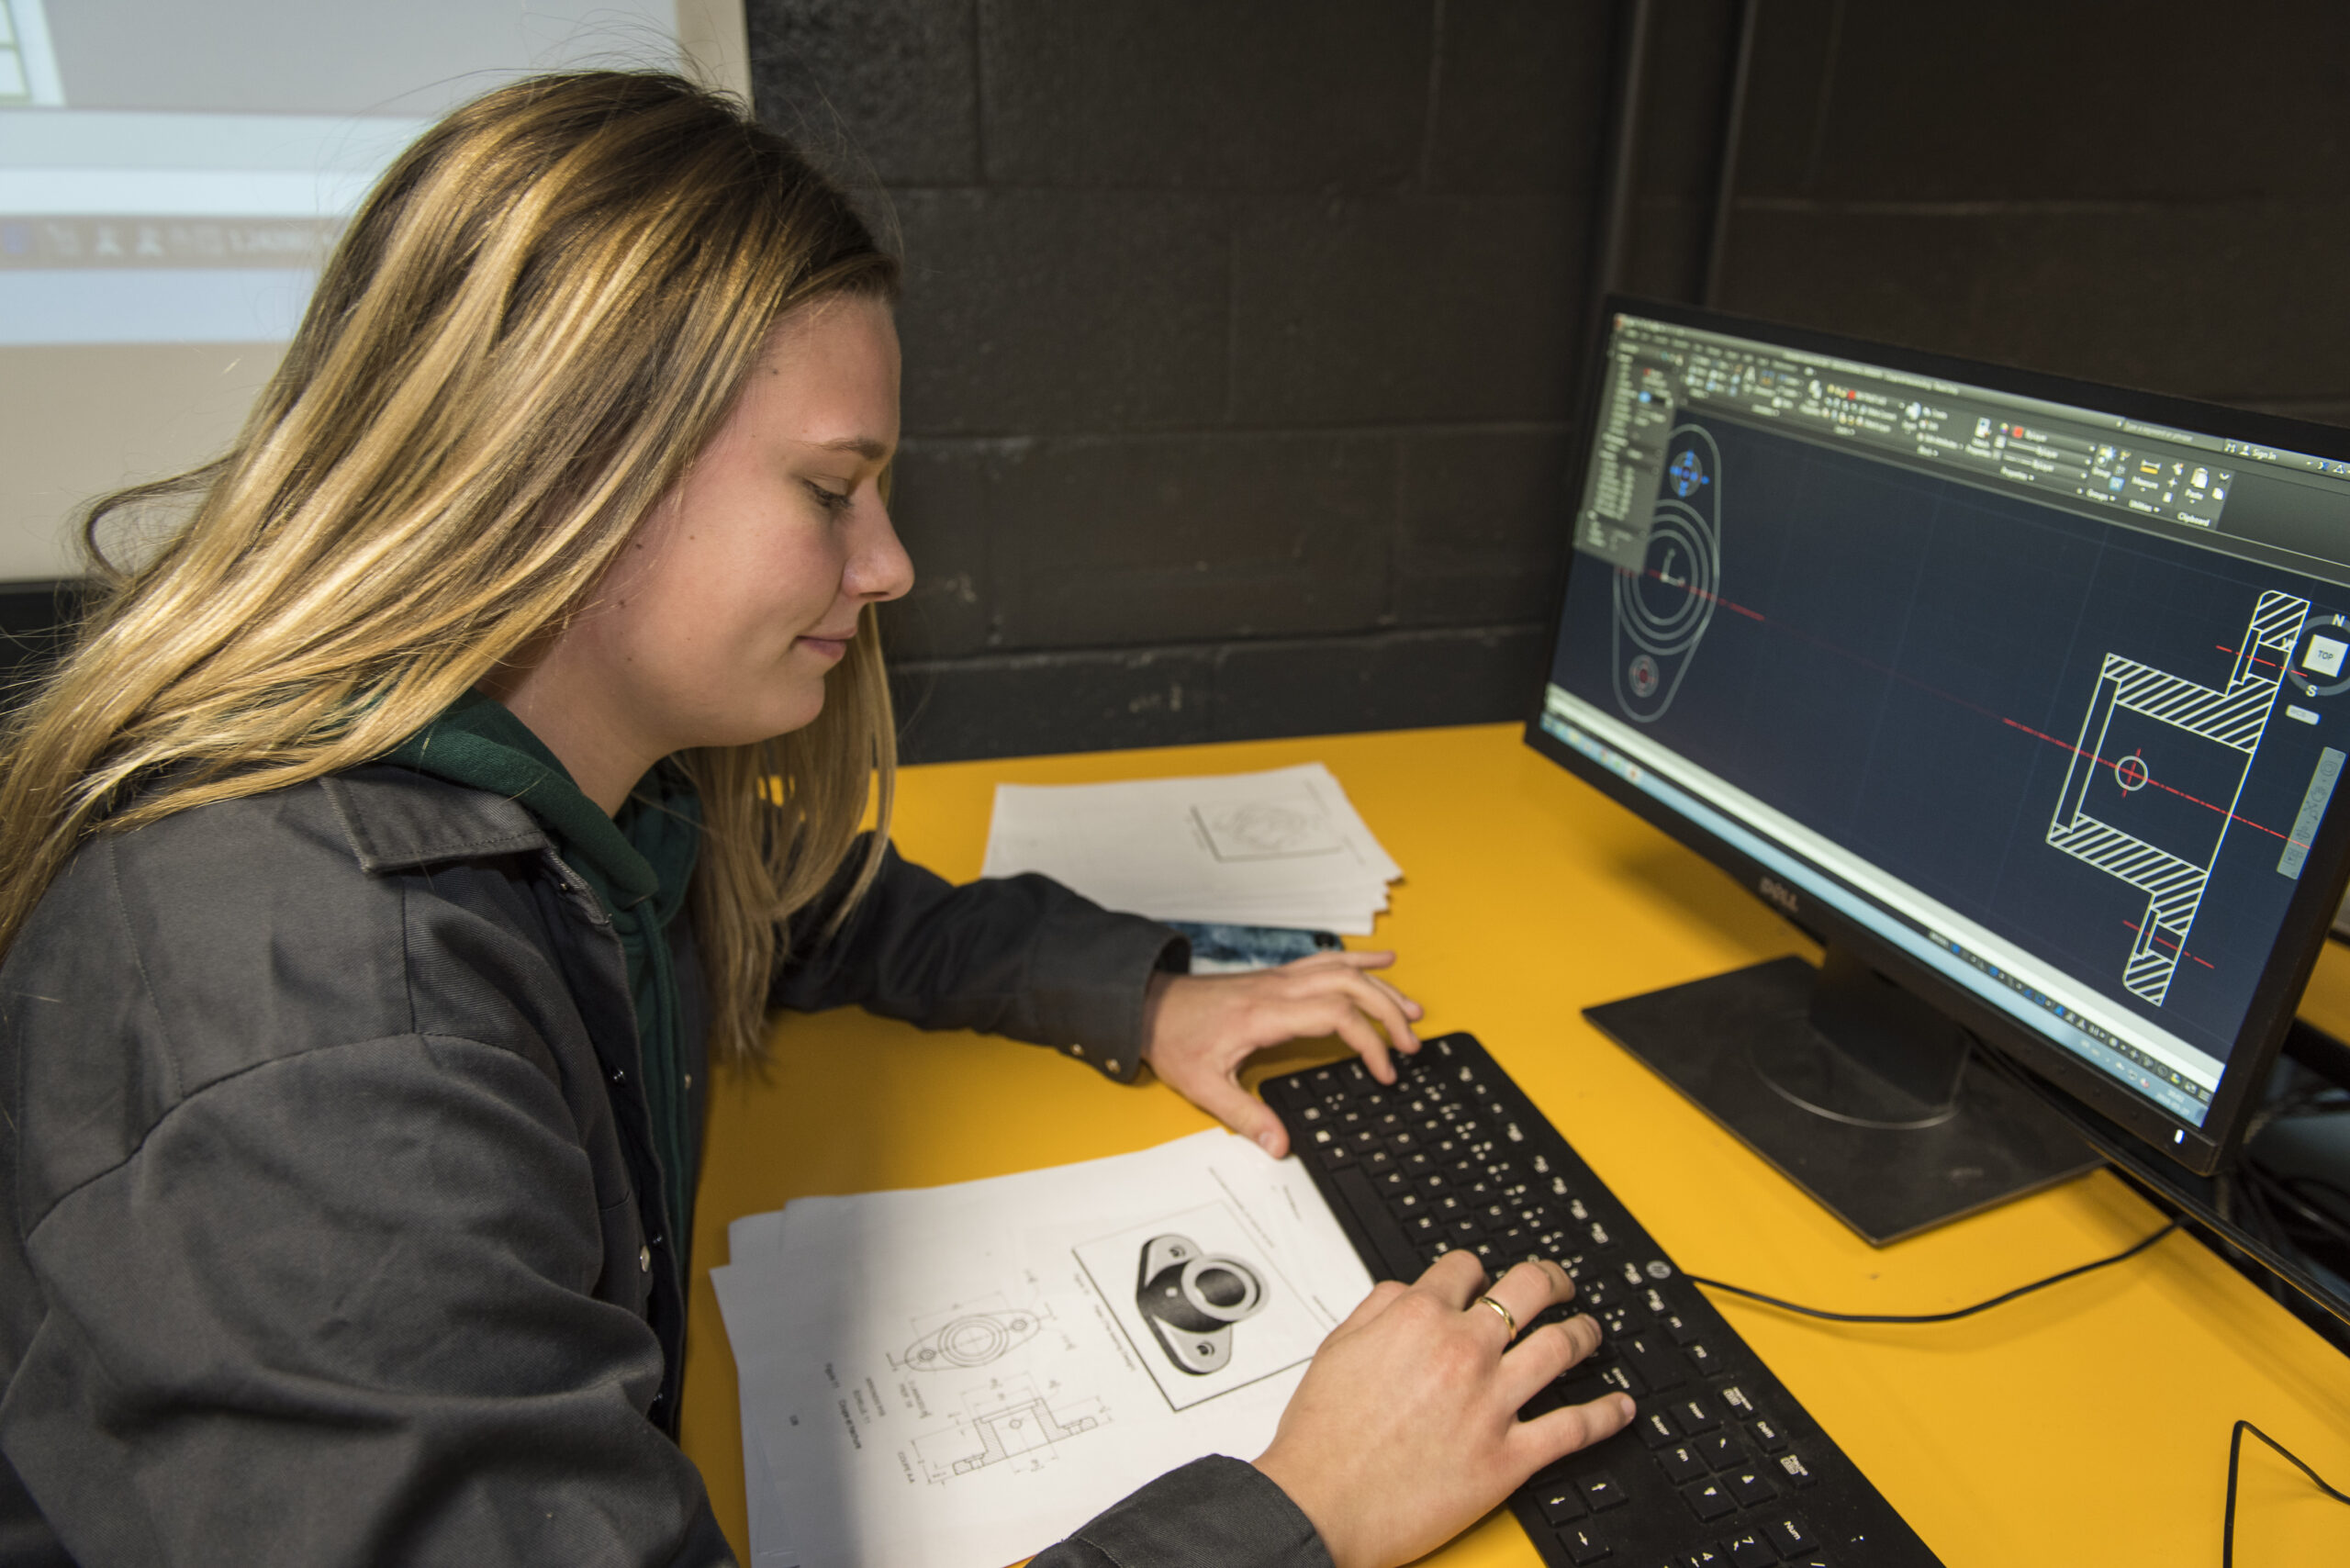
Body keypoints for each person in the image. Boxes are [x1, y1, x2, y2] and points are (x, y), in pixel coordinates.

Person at [0, 72, 1631, 1568]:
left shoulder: (563, 773)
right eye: (829, 490)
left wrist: (1137, 988)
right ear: (570, 469)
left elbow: (791, 903)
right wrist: (1300, 1514)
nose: (891, 567)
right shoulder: (327, 1052)